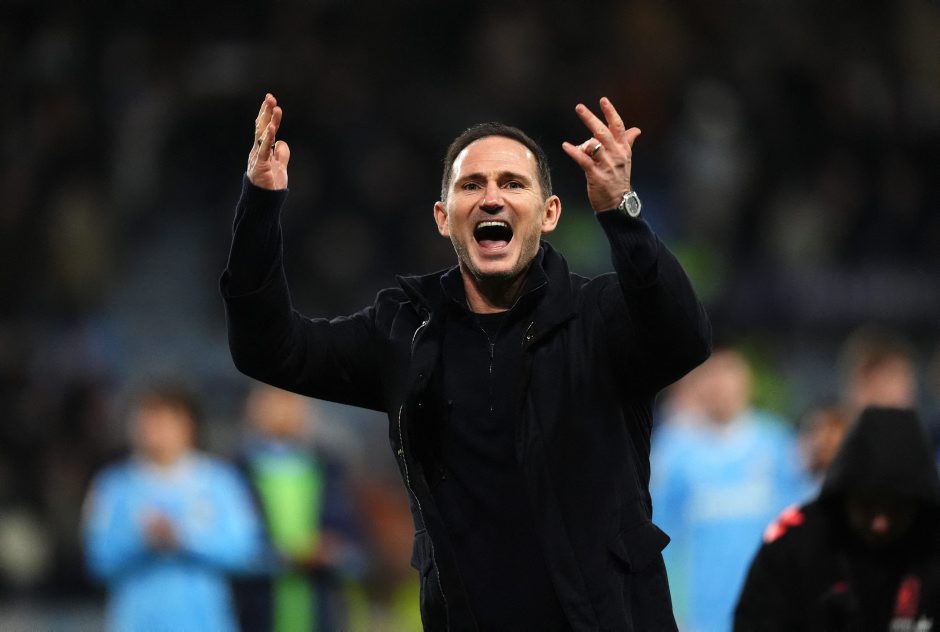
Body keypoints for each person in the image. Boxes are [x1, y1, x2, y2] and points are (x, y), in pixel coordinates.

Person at [221, 93, 711, 630]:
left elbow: (684, 337)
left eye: (513, 183)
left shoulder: (600, 317)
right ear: (442, 217)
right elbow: (269, 349)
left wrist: (621, 211)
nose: (492, 198)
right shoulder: (404, 328)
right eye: (472, 185)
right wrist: (260, 205)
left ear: (549, 213)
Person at [734, 406, 940, 631]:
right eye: (867, 505)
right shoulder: (795, 543)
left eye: (896, 508)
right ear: (843, 498)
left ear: (920, 506)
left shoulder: (933, 545)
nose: (880, 523)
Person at [82, 381, 264, 632]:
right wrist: (142, 540)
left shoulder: (219, 481)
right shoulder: (114, 485)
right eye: (147, 421)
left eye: (164, 421)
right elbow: (97, 559)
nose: (154, 430)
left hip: (204, 623)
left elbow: (244, 551)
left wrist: (184, 539)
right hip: (136, 622)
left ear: (187, 425)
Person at [650, 348, 810, 632]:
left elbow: (794, 523)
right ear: (701, 386)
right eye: (715, 380)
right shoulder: (673, 451)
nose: (722, 390)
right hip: (699, 615)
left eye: (730, 380)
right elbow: (661, 534)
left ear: (746, 385)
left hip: (763, 608)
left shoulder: (775, 442)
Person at [233, 382, 366, 632]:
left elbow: (358, 555)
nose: (284, 410)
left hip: (321, 610)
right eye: (274, 400)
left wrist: (332, 552)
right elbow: (229, 550)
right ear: (255, 406)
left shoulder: (330, 469)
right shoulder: (236, 471)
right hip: (258, 611)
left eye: (291, 400)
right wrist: (284, 557)